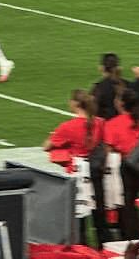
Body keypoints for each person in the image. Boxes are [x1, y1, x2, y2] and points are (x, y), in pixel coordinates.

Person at [44, 89, 108, 248]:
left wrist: (54, 135)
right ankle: (104, 249)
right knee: (99, 216)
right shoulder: (100, 123)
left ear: (75, 104)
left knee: (79, 219)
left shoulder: (68, 127)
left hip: (77, 175)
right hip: (97, 172)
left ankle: (83, 250)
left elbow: (46, 145)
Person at [106, 88, 139, 239]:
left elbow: (109, 148)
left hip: (122, 166)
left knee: (123, 202)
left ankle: (129, 236)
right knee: (131, 200)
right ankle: (133, 234)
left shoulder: (113, 123)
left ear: (121, 103)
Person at [92, 53, 130, 120]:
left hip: (107, 126)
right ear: (118, 68)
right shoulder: (129, 84)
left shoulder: (99, 88)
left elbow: (93, 110)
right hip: (128, 125)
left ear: (101, 68)